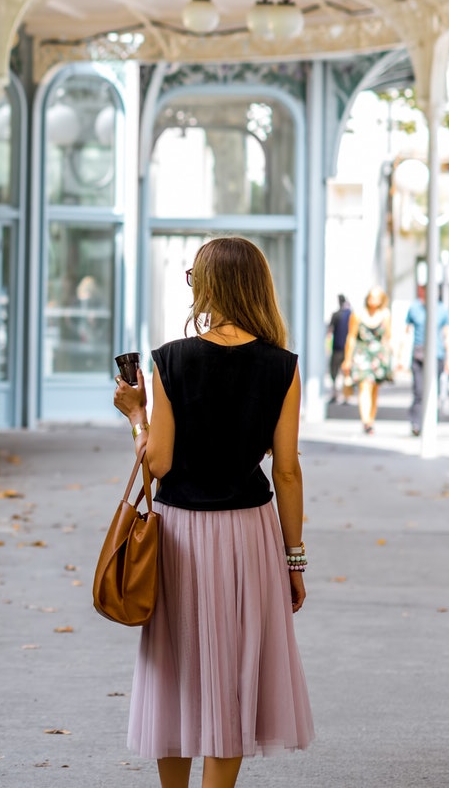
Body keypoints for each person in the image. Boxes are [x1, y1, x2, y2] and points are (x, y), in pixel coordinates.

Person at [113, 237, 312, 788]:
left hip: (179, 534)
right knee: (232, 673)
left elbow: (157, 461)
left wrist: (136, 415)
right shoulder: (284, 367)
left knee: (177, 670)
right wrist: (293, 559)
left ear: (206, 286)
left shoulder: (170, 360)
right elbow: (288, 471)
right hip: (249, 534)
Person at [343, 289, 393, 434]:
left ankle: (371, 418)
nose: (373, 300)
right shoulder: (358, 314)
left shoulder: (385, 315)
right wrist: (347, 359)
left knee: (374, 388)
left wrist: (391, 357)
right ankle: (366, 421)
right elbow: (351, 337)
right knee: (365, 386)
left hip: (378, 355)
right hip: (362, 353)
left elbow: (388, 337)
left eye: (376, 298)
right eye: (371, 297)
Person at [404, 286, 449, 437]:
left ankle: (430, 422)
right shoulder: (414, 308)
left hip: (437, 355)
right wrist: (400, 355)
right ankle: (416, 423)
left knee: (432, 390)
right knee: (418, 391)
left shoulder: (442, 310)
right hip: (418, 354)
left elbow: (447, 334)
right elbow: (406, 331)